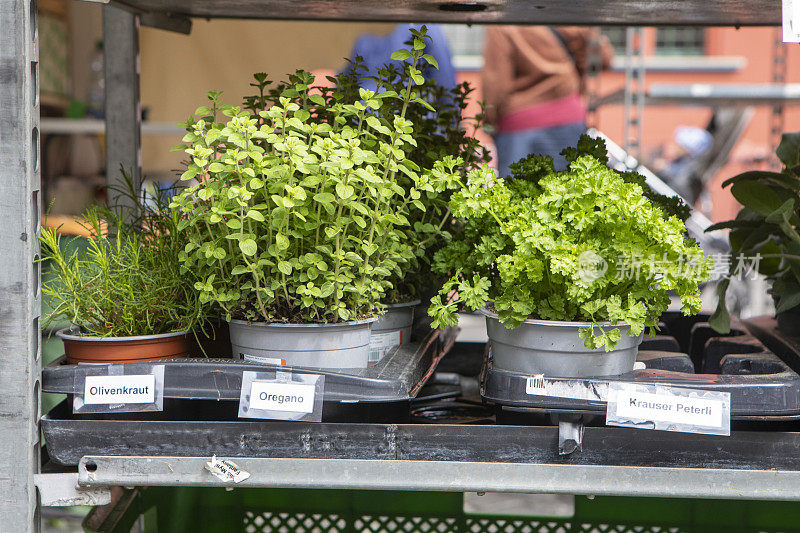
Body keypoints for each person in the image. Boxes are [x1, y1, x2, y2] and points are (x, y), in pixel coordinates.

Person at [482, 26, 614, 175]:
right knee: (569, 192)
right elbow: (603, 57)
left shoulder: (502, 20)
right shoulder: (567, 12)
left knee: (517, 193)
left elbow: (496, 85)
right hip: (568, 116)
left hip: (519, 124)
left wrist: (489, 121)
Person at [346, 24, 457, 91]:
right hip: (410, 115)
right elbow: (444, 81)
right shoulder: (424, 23)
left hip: (367, 111)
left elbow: (347, 80)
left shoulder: (363, 23)